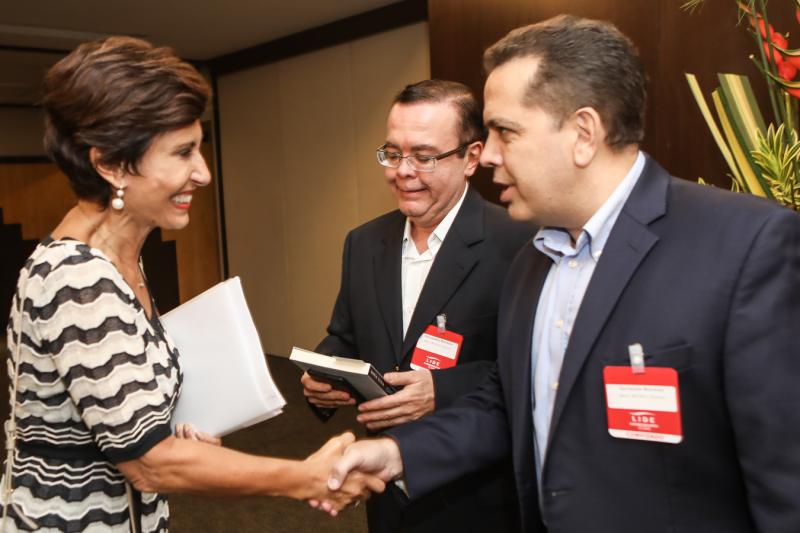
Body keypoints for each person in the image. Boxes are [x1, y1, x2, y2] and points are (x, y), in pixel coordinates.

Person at [327, 14, 800, 533]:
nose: (489, 156)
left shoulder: (745, 246)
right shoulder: (534, 259)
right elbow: (510, 404)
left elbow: (786, 482)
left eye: (505, 132)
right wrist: (398, 454)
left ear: (583, 133)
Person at [1, 36, 383, 533]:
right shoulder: (77, 278)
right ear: (110, 164)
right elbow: (148, 463)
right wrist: (308, 478)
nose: (202, 173)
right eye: (182, 153)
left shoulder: (120, 261)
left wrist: (178, 437)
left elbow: (125, 419)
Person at [301, 80, 534, 532]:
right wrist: (323, 375)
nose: (403, 171)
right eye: (393, 153)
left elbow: (532, 371)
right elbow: (345, 334)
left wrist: (441, 391)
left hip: (476, 497)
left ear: (471, 157)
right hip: (386, 494)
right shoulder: (364, 242)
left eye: (424, 157)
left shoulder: (519, 242)